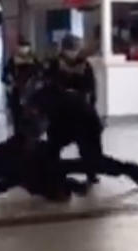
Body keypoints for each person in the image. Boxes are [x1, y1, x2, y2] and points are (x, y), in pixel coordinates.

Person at [0, 133, 138, 202]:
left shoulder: (45, 180)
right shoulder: (45, 178)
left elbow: (25, 179)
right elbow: (25, 177)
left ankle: (129, 169)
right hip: (20, 158)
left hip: (21, 159)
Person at [43, 34, 101, 184]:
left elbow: (90, 87)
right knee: (54, 145)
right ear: (63, 49)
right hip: (60, 112)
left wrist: (88, 104)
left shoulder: (84, 65)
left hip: (80, 112)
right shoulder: (54, 64)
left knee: (87, 145)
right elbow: (49, 85)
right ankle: (52, 171)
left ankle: (91, 172)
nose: (73, 52)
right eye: (70, 49)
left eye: (75, 49)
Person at [1, 38, 40, 134]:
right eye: (21, 47)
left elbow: (40, 74)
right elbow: (4, 76)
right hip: (17, 93)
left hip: (31, 93)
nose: (23, 49)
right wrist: (9, 82)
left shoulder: (34, 60)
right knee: (17, 118)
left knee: (31, 118)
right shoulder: (12, 61)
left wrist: (36, 82)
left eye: (25, 47)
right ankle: (18, 137)